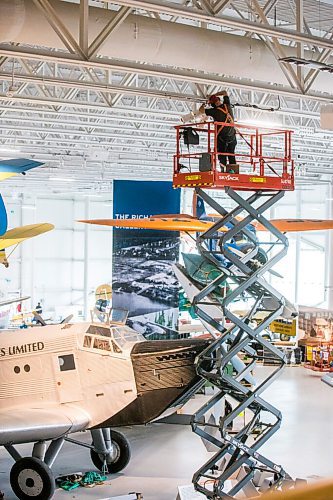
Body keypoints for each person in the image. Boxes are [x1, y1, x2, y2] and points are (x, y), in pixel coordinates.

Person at [199, 90, 237, 171]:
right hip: (232, 138)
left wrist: (205, 103)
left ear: (212, 105)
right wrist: (214, 94)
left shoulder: (214, 111)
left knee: (222, 156)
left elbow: (201, 110)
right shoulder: (227, 105)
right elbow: (225, 92)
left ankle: (223, 172)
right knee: (231, 155)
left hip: (222, 139)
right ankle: (233, 172)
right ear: (219, 100)